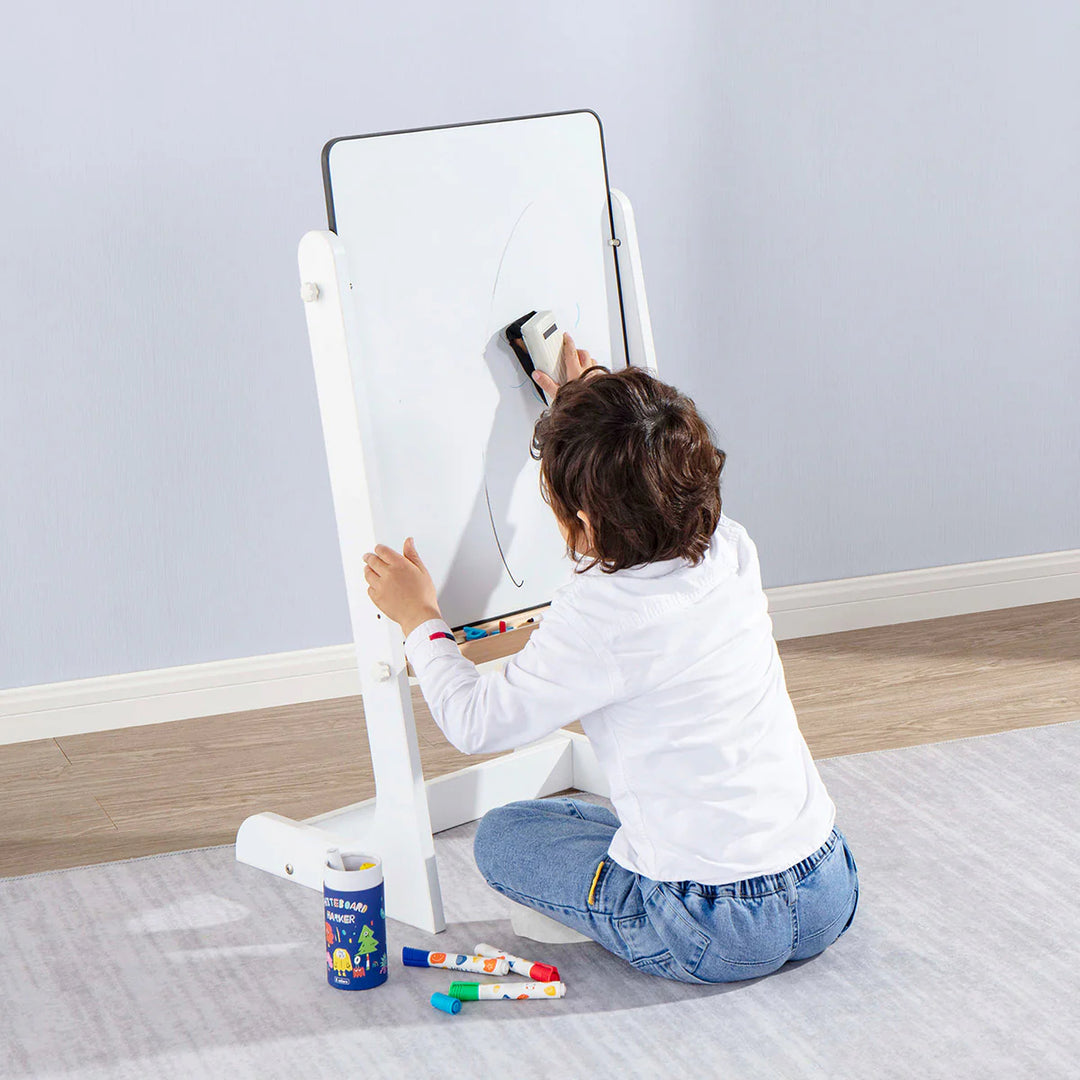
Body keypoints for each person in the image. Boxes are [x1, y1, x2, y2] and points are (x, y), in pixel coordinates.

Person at [362, 334, 859, 984]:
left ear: (587, 523)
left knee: (507, 835)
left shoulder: (597, 619)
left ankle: (633, 919)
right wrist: (595, 405)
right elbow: (651, 480)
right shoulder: (730, 549)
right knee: (583, 815)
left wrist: (418, 616)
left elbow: (475, 723)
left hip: (712, 926)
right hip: (826, 883)